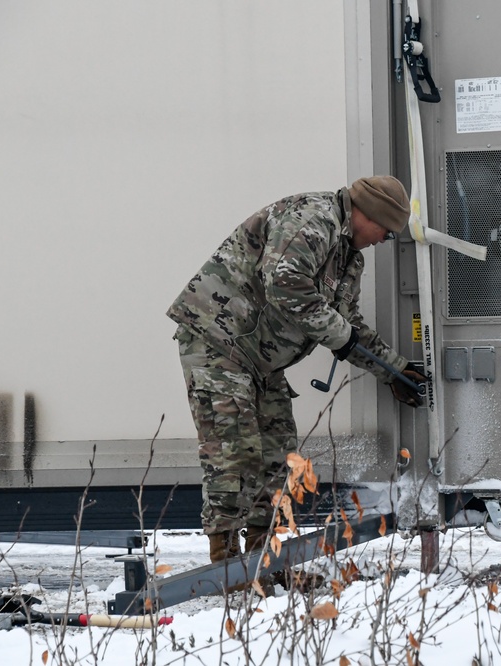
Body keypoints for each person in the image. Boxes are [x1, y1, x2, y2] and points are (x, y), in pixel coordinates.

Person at [167, 176, 426, 563]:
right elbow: (285, 287)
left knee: (277, 454)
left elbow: (348, 326)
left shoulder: (348, 257)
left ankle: (261, 563)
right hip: (219, 344)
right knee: (233, 452)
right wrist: (342, 335)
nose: (381, 241)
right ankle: (225, 565)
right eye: (385, 232)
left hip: (260, 360)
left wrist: (395, 370)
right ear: (368, 213)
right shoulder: (313, 221)